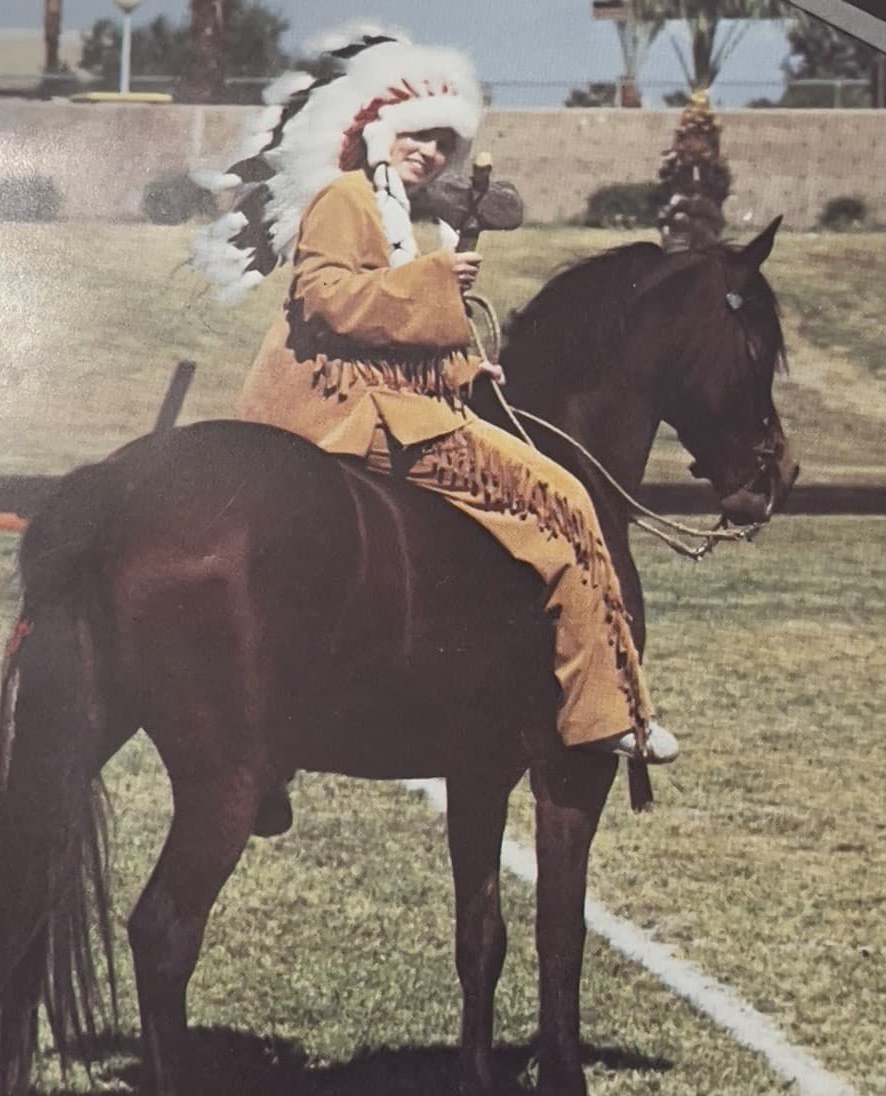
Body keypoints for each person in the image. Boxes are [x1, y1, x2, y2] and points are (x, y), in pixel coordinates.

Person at [193, 27, 677, 765]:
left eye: (443, 143)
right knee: (565, 500)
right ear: (380, 131)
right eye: (418, 136)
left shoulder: (388, 210)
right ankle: (605, 713)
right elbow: (326, 298)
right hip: (350, 413)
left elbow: (383, 330)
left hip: (381, 400)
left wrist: (461, 371)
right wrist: (436, 280)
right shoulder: (345, 199)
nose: (429, 152)